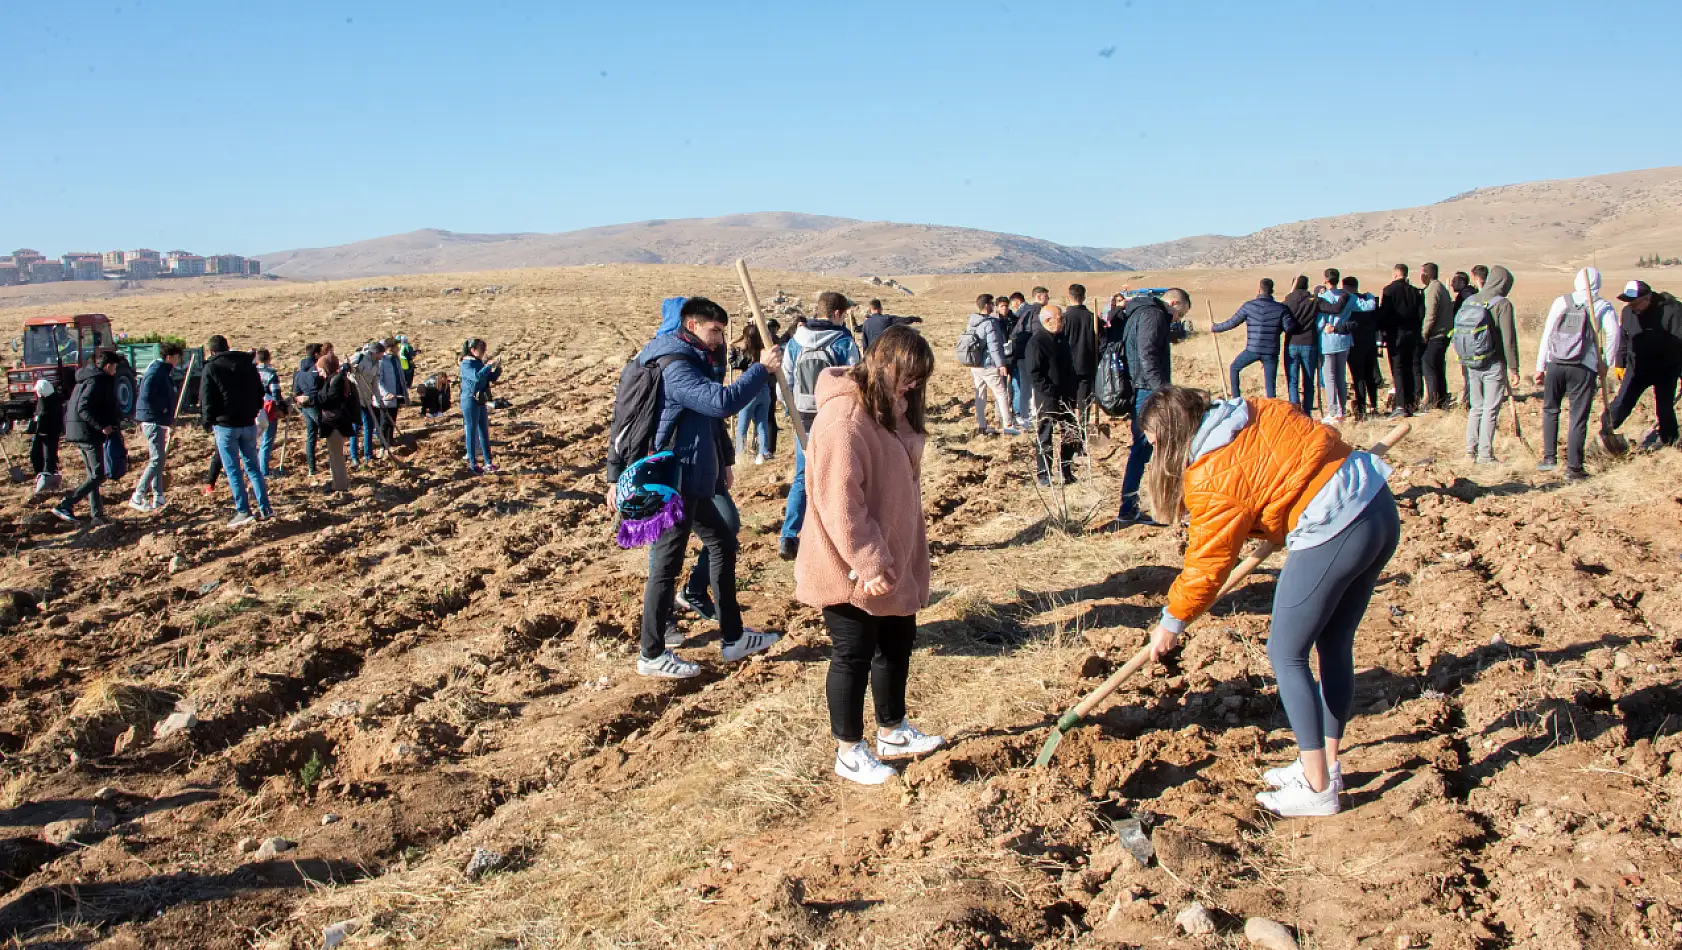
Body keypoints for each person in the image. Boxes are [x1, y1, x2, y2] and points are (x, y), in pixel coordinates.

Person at [1139, 386, 1399, 817]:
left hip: (1334, 526)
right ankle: (1324, 766)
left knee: (1285, 652)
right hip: (1375, 503)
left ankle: (1316, 789)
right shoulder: (1253, 409)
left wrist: (1172, 621)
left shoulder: (1210, 473)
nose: (1153, 452)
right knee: (1333, 644)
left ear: (1173, 435)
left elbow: (1207, 565)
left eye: (1155, 443)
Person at [796, 325, 942, 785]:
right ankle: (848, 750)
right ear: (883, 363)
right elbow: (841, 505)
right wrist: (869, 562)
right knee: (853, 653)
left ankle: (893, 730)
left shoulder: (888, 409)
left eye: (920, 378)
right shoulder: (845, 419)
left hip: (891, 557)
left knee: (897, 642)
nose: (914, 385)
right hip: (848, 565)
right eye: (908, 375)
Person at [619, 297, 784, 679]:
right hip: (674, 485)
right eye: (714, 331)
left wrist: (724, 459)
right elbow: (721, 403)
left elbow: (706, 421)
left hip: (694, 477)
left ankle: (733, 637)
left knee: (723, 541)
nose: (718, 339)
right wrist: (761, 369)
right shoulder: (677, 367)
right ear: (692, 325)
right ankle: (652, 653)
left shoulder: (694, 359)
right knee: (666, 565)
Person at [780, 292, 862, 561]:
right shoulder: (844, 341)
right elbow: (856, 380)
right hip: (834, 414)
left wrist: (791, 407)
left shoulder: (795, 341)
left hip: (802, 416)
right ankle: (832, 538)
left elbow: (784, 382)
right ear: (838, 313)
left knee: (803, 476)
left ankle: (789, 536)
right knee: (837, 476)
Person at [1534, 267, 1620, 479]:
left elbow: (1547, 333)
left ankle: (1549, 459)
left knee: (1550, 410)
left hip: (1555, 363)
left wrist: (1540, 366)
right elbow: (1614, 333)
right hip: (1583, 367)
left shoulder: (1561, 302)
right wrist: (1606, 362)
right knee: (1577, 417)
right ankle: (1574, 468)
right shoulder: (1601, 305)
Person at [1117, 288, 1192, 525]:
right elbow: (1147, 354)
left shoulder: (1140, 311)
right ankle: (1157, 507)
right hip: (1147, 391)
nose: (1176, 320)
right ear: (1173, 303)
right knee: (1154, 447)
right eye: (1179, 314)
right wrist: (1163, 391)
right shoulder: (1153, 315)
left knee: (1146, 449)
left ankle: (1134, 507)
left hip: (1143, 388)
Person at [201, 335, 271, 525]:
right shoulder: (248, 365)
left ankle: (243, 511)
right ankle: (265, 508)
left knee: (233, 470)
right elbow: (260, 392)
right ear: (228, 347)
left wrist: (207, 421)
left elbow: (207, 397)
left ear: (212, 352)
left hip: (225, 426)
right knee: (253, 468)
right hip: (248, 423)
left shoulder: (211, 367)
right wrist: (254, 410)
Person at [1606, 280, 1681, 450]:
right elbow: (1624, 338)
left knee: (1664, 407)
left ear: (1647, 298)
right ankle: (1606, 432)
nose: (1632, 307)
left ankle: (1669, 442)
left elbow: (1680, 344)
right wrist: (1620, 362)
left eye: (1636, 303)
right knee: (1622, 401)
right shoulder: (1628, 312)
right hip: (1637, 366)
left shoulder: (1673, 311)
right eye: (1629, 303)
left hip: (1666, 368)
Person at [51, 351, 123, 526]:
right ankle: (65, 505)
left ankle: (97, 515)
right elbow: (84, 408)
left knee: (93, 475)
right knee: (98, 475)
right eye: (115, 366)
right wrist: (102, 426)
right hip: (87, 434)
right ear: (108, 366)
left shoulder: (90, 377)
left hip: (79, 432)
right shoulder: (96, 381)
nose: (116, 370)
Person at [1458, 264, 1521, 464]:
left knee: (1476, 407)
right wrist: (1513, 368)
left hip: (1471, 361)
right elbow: (1508, 339)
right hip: (1493, 363)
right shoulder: (1502, 304)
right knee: (1490, 409)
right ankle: (1485, 454)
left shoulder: (1470, 299)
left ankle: (1470, 451)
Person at [1026, 304, 1078, 486]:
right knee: (1046, 435)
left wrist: (1073, 390)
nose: (1063, 322)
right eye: (1060, 319)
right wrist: (1051, 391)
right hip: (1047, 398)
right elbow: (1034, 373)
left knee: (1070, 433)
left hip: (1067, 397)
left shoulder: (1062, 339)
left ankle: (1066, 470)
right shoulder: (1036, 342)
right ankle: (1044, 475)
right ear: (1047, 321)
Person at [1213, 278, 1290, 398]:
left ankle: (1236, 399)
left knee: (1234, 368)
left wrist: (1215, 327)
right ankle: (1271, 409)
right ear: (1272, 291)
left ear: (1259, 289)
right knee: (1270, 384)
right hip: (1271, 351)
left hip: (1252, 349)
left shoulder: (1249, 306)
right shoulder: (1280, 308)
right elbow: (1288, 328)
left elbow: (1232, 323)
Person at [130, 342, 183, 511]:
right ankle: (138, 495)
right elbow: (147, 395)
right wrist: (164, 409)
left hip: (158, 420)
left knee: (159, 459)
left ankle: (158, 496)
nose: (178, 361)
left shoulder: (162, 371)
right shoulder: (156, 372)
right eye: (177, 358)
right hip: (153, 420)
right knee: (157, 459)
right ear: (169, 357)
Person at [966, 294, 1018, 436]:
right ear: (987, 305)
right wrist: (1001, 364)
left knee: (980, 394)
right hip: (988, 365)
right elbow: (994, 346)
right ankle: (1008, 425)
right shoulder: (990, 323)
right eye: (992, 304)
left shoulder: (972, 321)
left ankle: (982, 425)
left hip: (975, 364)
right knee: (1001, 394)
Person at [1378, 264, 1424, 417]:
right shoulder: (1415, 291)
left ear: (1395, 274)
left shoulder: (1389, 291)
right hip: (1413, 334)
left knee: (1398, 369)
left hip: (1396, 335)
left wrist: (1382, 331)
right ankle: (1411, 403)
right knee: (1410, 368)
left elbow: (1384, 314)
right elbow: (1420, 314)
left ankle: (1400, 406)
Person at [730, 323, 774, 462]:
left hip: (749, 392)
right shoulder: (764, 351)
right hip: (765, 390)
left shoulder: (745, 353)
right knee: (762, 424)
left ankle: (740, 454)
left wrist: (732, 346)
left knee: (742, 425)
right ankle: (763, 452)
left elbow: (734, 364)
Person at [1315, 271, 1355, 421]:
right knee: (1340, 376)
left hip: (1327, 342)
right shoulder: (1348, 297)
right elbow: (1367, 306)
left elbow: (1319, 323)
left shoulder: (1323, 299)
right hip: (1344, 341)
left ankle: (1333, 411)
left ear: (1325, 280)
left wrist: (1323, 327)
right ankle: (1342, 410)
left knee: (1329, 377)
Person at [314, 353, 356, 492]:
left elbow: (330, 400)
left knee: (336, 456)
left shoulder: (336, 380)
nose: (320, 373)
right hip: (335, 422)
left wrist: (311, 400)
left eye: (320, 370)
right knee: (334, 455)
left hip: (335, 423)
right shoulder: (335, 379)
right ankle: (336, 484)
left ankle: (340, 487)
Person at [459, 339, 502, 473]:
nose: (483, 352)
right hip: (470, 400)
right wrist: (488, 366)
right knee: (472, 431)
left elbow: (490, 377)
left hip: (480, 399)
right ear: (472, 350)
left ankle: (488, 462)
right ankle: (473, 464)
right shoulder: (466, 364)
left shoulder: (478, 362)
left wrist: (498, 368)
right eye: (481, 349)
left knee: (484, 431)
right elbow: (476, 377)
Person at [1011, 288, 1050, 428]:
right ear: (1039, 296)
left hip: (1022, 355)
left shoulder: (1024, 313)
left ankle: (1025, 416)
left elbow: (1015, 334)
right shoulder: (1039, 313)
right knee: (1036, 386)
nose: (1049, 298)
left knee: (1025, 387)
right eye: (1047, 296)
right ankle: (1035, 415)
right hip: (1033, 355)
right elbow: (1040, 336)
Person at [1283, 276, 1320, 414]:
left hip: (1292, 342)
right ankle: (1307, 410)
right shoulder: (1313, 301)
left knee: (1292, 380)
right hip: (1309, 342)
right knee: (1309, 379)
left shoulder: (1288, 300)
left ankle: (1295, 410)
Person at [1420, 263, 1455, 411]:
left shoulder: (1433, 289)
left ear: (1426, 274)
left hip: (1436, 335)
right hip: (1443, 334)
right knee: (1439, 366)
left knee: (1429, 365)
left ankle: (1433, 401)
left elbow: (1430, 314)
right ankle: (1441, 398)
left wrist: (1424, 333)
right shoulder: (1441, 287)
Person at [1063, 284, 1099, 424]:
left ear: (1069, 297)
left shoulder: (1064, 318)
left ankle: (1071, 426)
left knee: (1069, 398)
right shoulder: (1092, 318)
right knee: (1084, 399)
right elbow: (1102, 342)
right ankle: (1082, 424)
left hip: (1068, 365)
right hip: (1087, 364)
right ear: (1084, 297)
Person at [29, 378, 64, 496]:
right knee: (36, 454)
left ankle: (48, 477)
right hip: (41, 433)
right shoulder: (42, 400)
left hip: (50, 433)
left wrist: (39, 425)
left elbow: (48, 418)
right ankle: (41, 474)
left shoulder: (53, 402)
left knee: (49, 456)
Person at [293, 343, 325, 477]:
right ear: (316, 354)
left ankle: (312, 467)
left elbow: (296, 391)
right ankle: (335, 464)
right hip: (315, 404)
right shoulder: (316, 370)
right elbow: (321, 388)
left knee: (311, 435)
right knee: (328, 430)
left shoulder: (299, 373)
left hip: (304, 405)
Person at [255, 348, 284, 478]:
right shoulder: (271, 374)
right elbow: (276, 394)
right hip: (268, 408)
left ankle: (256, 467)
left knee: (254, 439)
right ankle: (263, 470)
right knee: (267, 440)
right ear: (269, 358)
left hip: (253, 408)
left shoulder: (252, 372)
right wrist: (281, 407)